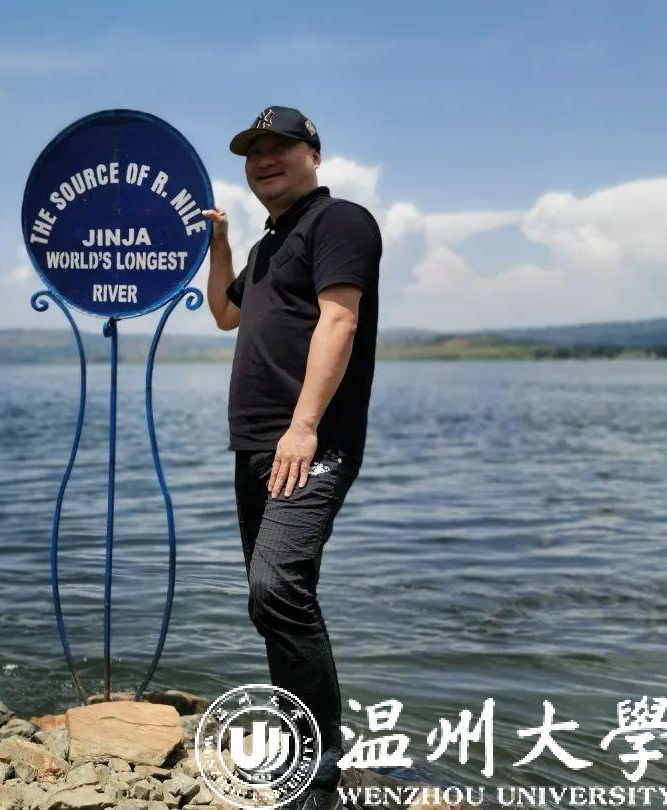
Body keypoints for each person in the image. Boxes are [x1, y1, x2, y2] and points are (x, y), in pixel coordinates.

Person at [202, 106, 382, 810]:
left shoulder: (340, 222)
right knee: (271, 600)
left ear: (314, 153)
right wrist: (221, 243)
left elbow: (340, 318)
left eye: (279, 146)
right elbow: (225, 314)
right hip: (255, 445)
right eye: (253, 152)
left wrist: (304, 427)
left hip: (310, 442)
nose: (264, 160)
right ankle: (297, 739)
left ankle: (321, 767)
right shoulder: (268, 247)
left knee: (276, 586)